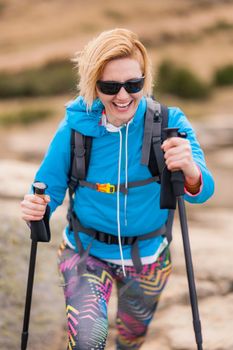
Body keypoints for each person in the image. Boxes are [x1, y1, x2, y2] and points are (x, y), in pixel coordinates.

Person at [20, 28, 214, 350]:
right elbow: (46, 190)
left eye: (133, 85)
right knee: (87, 340)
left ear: (144, 80)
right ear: (93, 84)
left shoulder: (169, 123)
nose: (123, 96)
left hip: (149, 257)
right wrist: (35, 207)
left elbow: (204, 188)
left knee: (131, 340)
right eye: (110, 86)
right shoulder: (74, 128)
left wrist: (191, 170)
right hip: (85, 253)